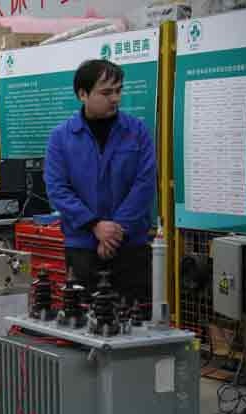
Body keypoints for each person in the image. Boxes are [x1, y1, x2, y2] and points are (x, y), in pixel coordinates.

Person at [44, 60, 156, 307]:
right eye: (106, 93)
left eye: (118, 90)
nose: (115, 98)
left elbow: (145, 183)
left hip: (131, 246)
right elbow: (57, 189)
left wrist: (116, 231)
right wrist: (94, 225)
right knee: (84, 319)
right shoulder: (61, 138)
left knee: (135, 318)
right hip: (83, 247)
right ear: (82, 94)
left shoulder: (137, 132)